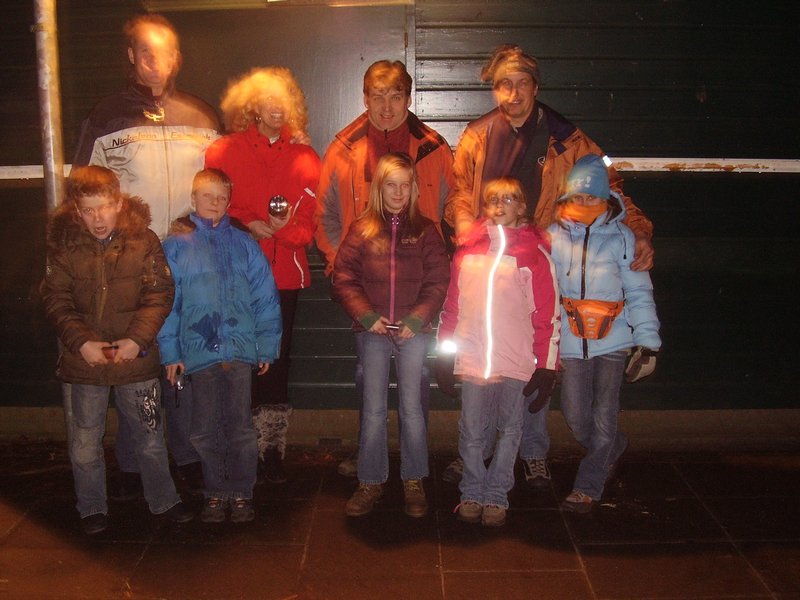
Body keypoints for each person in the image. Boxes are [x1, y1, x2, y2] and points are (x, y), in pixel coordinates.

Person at [442, 44, 655, 488]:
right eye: (504, 84)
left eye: (522, 84)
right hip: (490, 261)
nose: (513, 93)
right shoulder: (477, 136)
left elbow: (611, 185)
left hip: (540, 261)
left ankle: (533, 452)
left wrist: (638, 230)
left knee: (534, 356)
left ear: (536, 87)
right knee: (485, 358)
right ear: (494, 89)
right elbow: (459, 190)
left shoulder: (569, 139)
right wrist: (465, 225)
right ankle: (478, 451)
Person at [72, 13, 221, 499]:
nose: (155, 62)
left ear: (177, 58)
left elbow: (224, 182)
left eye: (165, 52)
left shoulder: (201, 115)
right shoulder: (106, 116)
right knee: (139, 360)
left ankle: (187, 454)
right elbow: (82, 191)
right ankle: (136, 460)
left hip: (191, 258)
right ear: (132, 56)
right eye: (145, 52)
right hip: (130, 264)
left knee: (184, 358)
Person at [315, 59, 454, 478]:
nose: (387, 106)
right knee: (367, 380)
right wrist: (347, 268)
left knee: (417, 386)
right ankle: (369, 460)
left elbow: (451, 211)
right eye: (378, 96)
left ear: (408, 98)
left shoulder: (433, 148)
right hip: (366, 295)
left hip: (418, 296)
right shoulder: (344, 148)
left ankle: (414, 470)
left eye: (396, 96)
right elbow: (326, 216)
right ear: (365, 98)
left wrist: (435, 279)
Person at [40, 166, 194, 535]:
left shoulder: (144, 240)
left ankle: (163, 500)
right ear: (77, 210)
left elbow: (159, 294)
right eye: (89, 210)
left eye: (105, 207)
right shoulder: (64, 244)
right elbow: (56, 298)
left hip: (134, 359)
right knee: (85, 441)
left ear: (119, 203)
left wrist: (137, 340)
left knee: (150, 436)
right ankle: (92, 506)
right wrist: (82, 342)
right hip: (85, 361)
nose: (98, 218)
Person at [205, 67, 321, 484]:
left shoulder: (306, 157)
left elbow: (308, 225)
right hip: (235, 274)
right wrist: (248, 223)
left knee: (276, 361)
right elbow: (212, 206)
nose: (277, 107)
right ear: (253, 104)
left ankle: (271, 449)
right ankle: (239, 445)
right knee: (236, 360)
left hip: (284, 277)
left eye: (284, 99)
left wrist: (283, 230)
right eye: (269, 98)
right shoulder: (224, 151)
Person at [157, 169, 283, 523]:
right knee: (205, 427)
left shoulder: (245, 244)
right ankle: (215, 491)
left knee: (240, 426)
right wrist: (171, 352)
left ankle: (241, 491)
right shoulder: (176, 247)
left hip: (239, 352)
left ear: (229, 201)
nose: (214, 202)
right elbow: (167, 304)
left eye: (221, 197)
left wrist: (265, 344)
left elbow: (265, 297)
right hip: (198, 353)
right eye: (207, 196)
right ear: (193, 198)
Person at [332, 153, 450, 518]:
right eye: (390, 185)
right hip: (373, 330)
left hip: (414, 332)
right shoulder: (362, 229)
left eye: (405, 185)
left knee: (412, 408)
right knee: (373, 409)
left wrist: (418, 318)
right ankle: (370, 480)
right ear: (378, 189)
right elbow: (344, 277)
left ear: (414, 189)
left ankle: (413, 478)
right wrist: (366, 315)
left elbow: (438, 280)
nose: (398, 193)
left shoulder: (426, 230)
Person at [436, 177, 560, 526]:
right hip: (475, 359)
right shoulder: (467, 253)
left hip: (516, 361)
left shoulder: (535, 256)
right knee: (472, 430)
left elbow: (547, 316)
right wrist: (444, 355)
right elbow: (452, 308)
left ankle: (496, 494)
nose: (500, 205)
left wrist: (546, 366)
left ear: (522, 206)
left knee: (510, 429)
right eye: (493, 199)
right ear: (484, 207)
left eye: (509, 199)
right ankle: (472, 490)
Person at [548, 154, 661, 513]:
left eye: (591, 196)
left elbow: (639, 292)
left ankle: (588, 486)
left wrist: (648, 343)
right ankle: (614, 445)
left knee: (604, 414)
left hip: (613, 341)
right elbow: (544, 290)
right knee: (575, 415)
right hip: (571, 341)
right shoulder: (553, 236)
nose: (584, 203)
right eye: (578, 196)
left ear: (605, 198)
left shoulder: (623, 238)